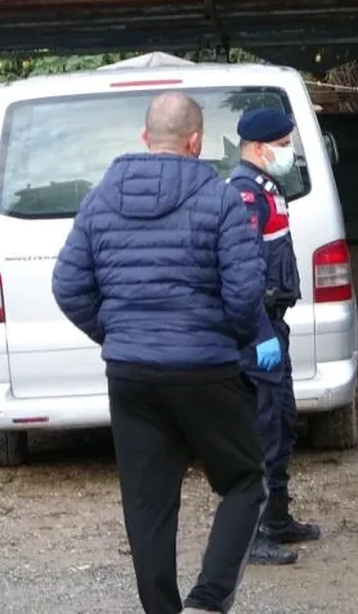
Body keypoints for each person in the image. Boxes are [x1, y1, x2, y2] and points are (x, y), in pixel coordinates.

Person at [51, 92, 268, 614]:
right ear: (196, 142)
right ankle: (207, 601)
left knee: (146, 505)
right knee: (244, 481)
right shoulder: (220, 199)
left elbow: (66, 285)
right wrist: (231, 339)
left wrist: (115, 333)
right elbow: (244, 295)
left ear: (146, 138)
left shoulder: (100, 198)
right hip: (205, 370)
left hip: (131, 376)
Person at [226, 108, 322, 566]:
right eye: (284, 144)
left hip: (271, 326)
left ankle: (277, 518)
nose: (290, 152)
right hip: (254, 330)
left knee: (281, 422)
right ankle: (251, 534)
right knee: (260, 430)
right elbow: (240, 276)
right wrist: (260, 331)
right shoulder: (245, 195)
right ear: (262, 148)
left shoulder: (267, 189)